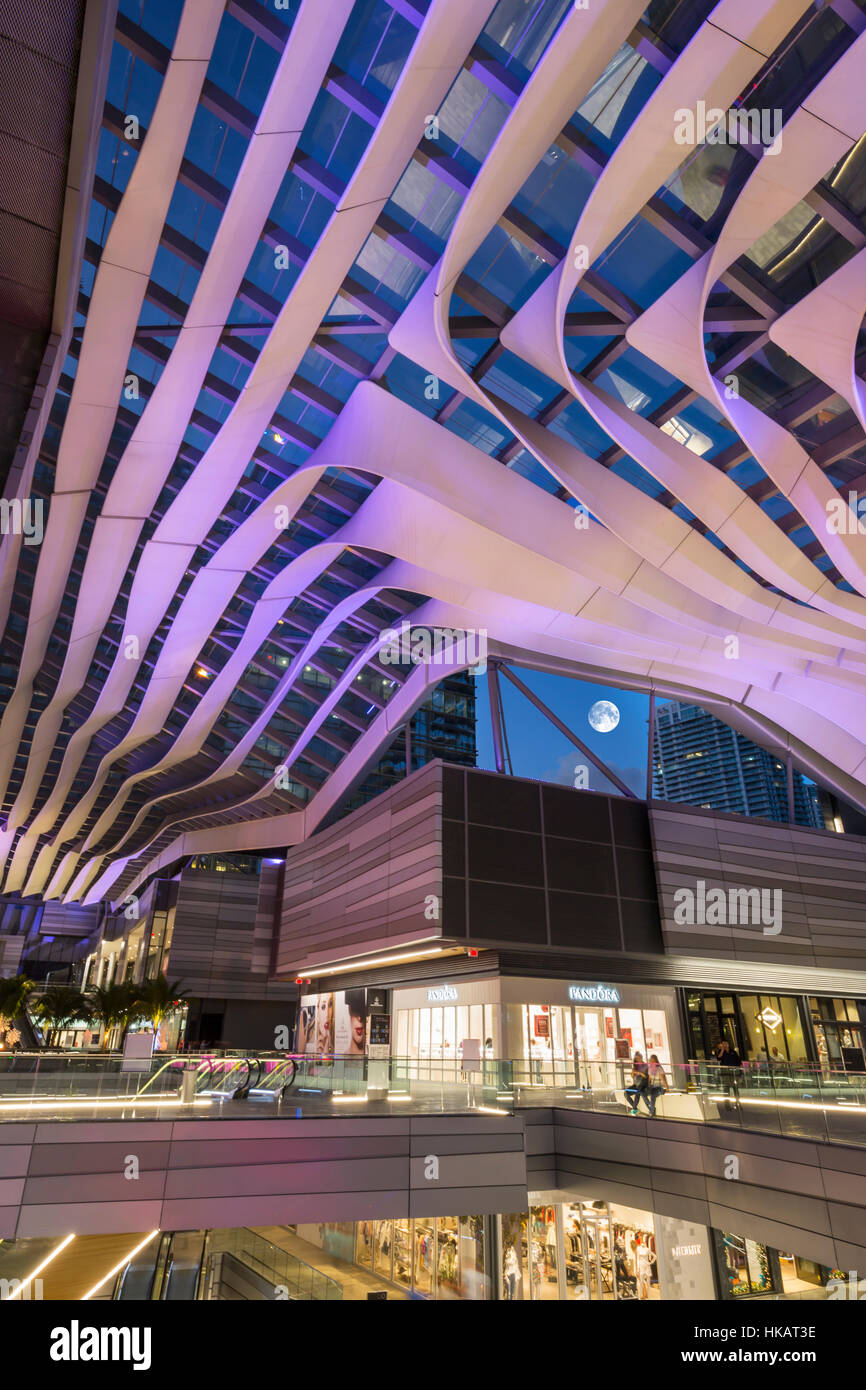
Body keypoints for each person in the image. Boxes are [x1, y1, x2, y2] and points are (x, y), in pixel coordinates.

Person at [714, 1038, 742, 1109]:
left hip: (734, 1072)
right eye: (723, 1044)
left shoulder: (733, 1052)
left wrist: (738, 1070)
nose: (725, 1045)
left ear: (728, 1044)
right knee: (726, 1089)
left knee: (735, 1088)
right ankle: (727, 1105)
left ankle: (738, 1103)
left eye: (726, 1044)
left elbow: (738, 1061)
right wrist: (722, 1050)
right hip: (725, 1072)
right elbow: (718, 1058)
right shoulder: (720, 1052)